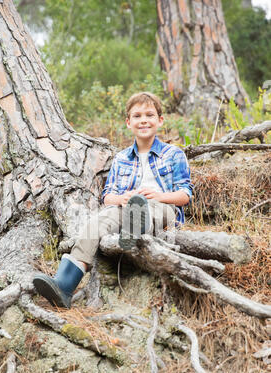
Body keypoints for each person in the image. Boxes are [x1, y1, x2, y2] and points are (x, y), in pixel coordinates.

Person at [33, 92, 193, 308]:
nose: (143, 120)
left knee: (150, 209)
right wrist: (121, 198)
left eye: (149, 115)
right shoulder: (121, 158)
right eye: (137, 116)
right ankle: (64, 285)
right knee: (97, 222)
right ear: (128, 122)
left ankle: (137, 227)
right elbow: (108, 196)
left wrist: (159, 196)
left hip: (163, 207)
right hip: (125, 207)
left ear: (160, 120)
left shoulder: (173, 154)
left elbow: (185, 194)